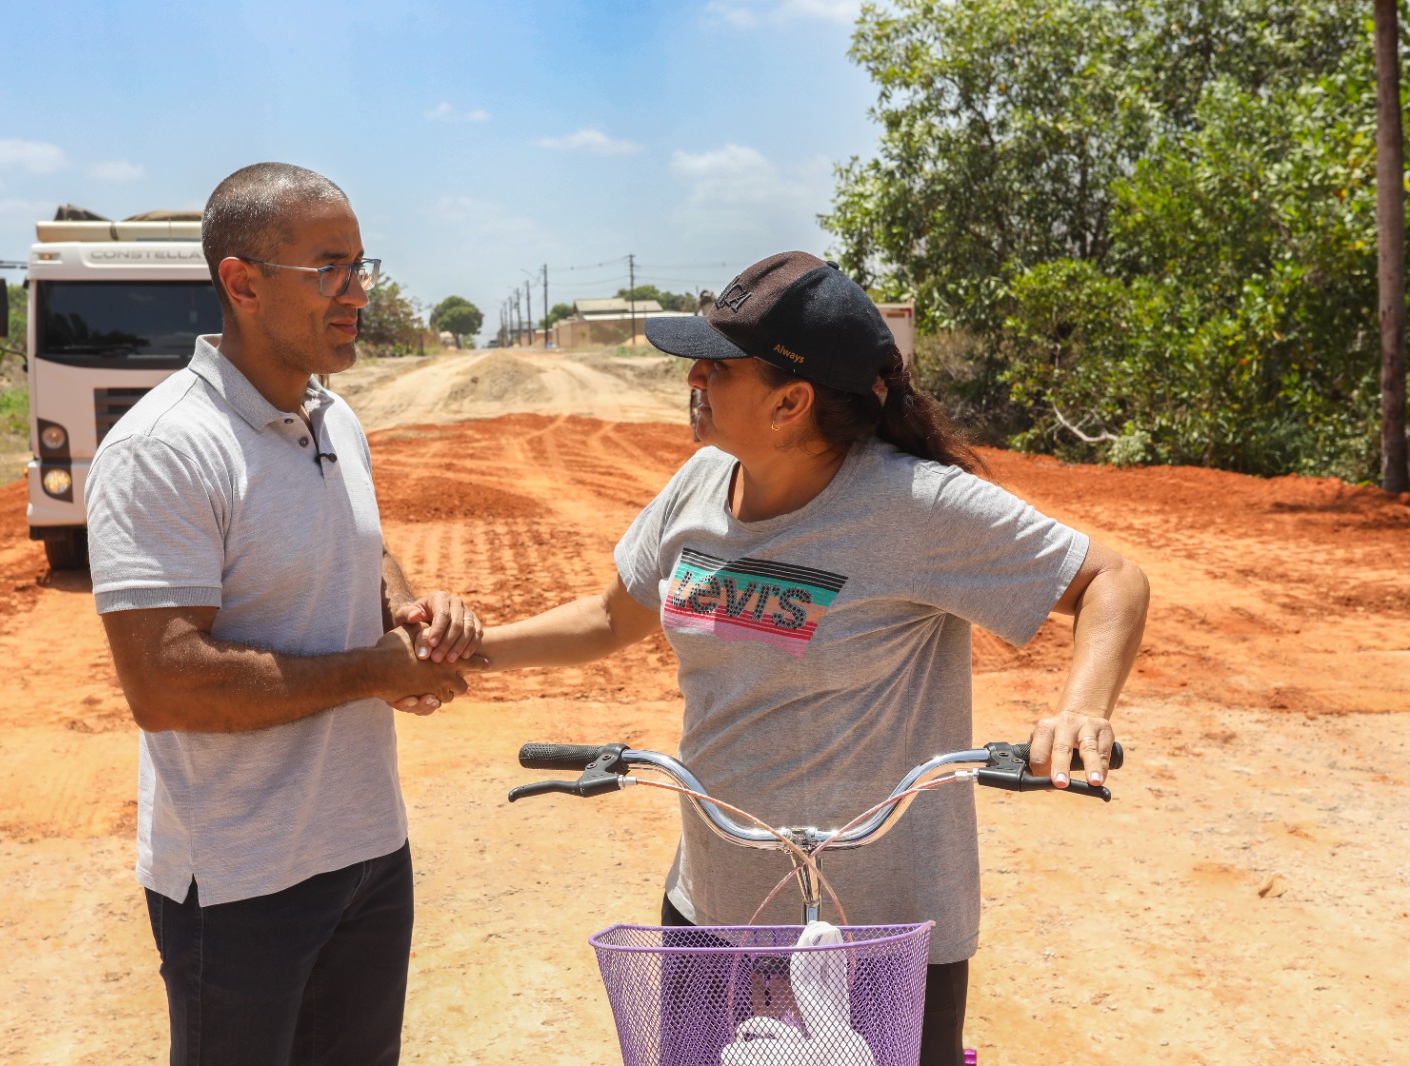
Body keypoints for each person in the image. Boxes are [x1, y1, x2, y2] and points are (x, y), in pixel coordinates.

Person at [480, 251, 1149, 1066]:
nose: (694, 377)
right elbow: (608, 617)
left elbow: (1112, 579)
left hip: (881, 934)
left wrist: (1083, 709)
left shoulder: (913, 505)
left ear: (791, 401)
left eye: (719, 365)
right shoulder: (699, 484)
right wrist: (467, 653)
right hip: (712, 906)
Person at [85, 162, 485, 1066]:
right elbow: (165, 684)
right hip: (240, 878)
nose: (359, 292)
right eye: (329, 269)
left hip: (368, 848)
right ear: (243, 284)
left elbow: (360, 545)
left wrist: (408, 610)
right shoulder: (164, 449)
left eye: (360, 265)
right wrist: (372, 672)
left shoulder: (332, 417)